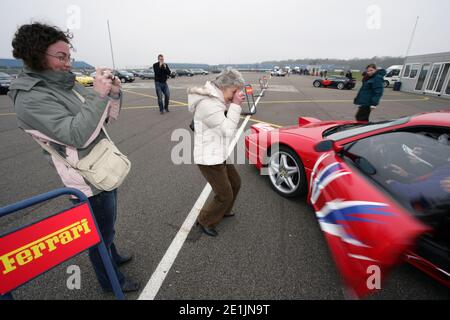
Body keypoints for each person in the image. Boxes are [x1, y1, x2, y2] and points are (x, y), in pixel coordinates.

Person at [8, 23, 139, 294]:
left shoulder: (65, 85)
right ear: (36, 55)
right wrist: (99, 94)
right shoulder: (30, 98)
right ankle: (111, 281)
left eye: (69, 55)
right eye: (61, 57)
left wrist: (113, 94)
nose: (68, 63)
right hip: (85, 179)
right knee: (98, 235)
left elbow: (104, 120)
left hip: (103, 165)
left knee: (107, 226)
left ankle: (111, 255)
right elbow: (77, 136)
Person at [187, 68, 245, 237]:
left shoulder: (217, 99)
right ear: (224, 86)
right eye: (234, 91)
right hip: (208, 158)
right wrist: (235, 105)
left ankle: (223, 211)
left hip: (218, 153)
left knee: (236, 183)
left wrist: (230, 103)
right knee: (224, 194)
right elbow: (227, 130)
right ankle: (205, 220)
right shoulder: (209, 104)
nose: (234, 95)